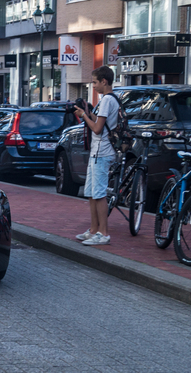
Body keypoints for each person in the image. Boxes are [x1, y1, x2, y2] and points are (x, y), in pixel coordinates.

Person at [73, 66, 120, 246]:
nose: (93, 86)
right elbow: (99, 121)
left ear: (104, 81)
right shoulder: (106, 100)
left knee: (99, 194)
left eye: (95, 82)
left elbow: (97, 129)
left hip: (102, 152)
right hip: (97, 152)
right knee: (92, 193)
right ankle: (93, 230)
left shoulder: (108, 100)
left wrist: (84, 115)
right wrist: (88, 112)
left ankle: (104, 233)